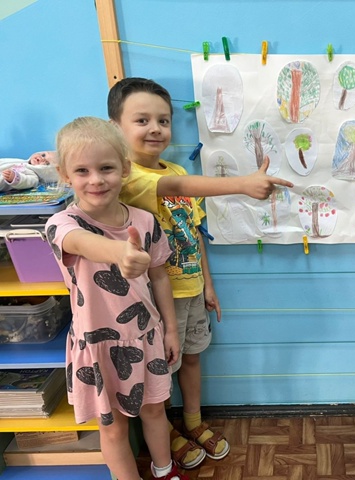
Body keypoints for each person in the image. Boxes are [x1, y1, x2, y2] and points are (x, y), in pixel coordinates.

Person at [107, 77, 294, 469]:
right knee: (161, 371)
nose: (155, 129)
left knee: (192, 358)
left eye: (163, 120)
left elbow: (194, 232)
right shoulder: (128, 178)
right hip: (157, 300)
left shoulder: (174, 166)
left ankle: (192, 421)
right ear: (115, 128)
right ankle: (165, 430)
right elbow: (177, 184)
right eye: (142, 120)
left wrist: (207, 284)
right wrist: (243, 184)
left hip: (191, 289)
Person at [45, 117, 189, 480]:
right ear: (65, 174)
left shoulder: (145, 221)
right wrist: (120, 252)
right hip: (96, 347)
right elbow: (81, 243)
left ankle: (165, 470)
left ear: (124, 169)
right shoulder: (61, 224)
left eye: (106, 168)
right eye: (82, 170)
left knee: (155, 411)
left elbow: (160, 276)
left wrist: (172, 330)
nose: (95, 179)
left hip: (146, 337)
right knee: (112, 429)